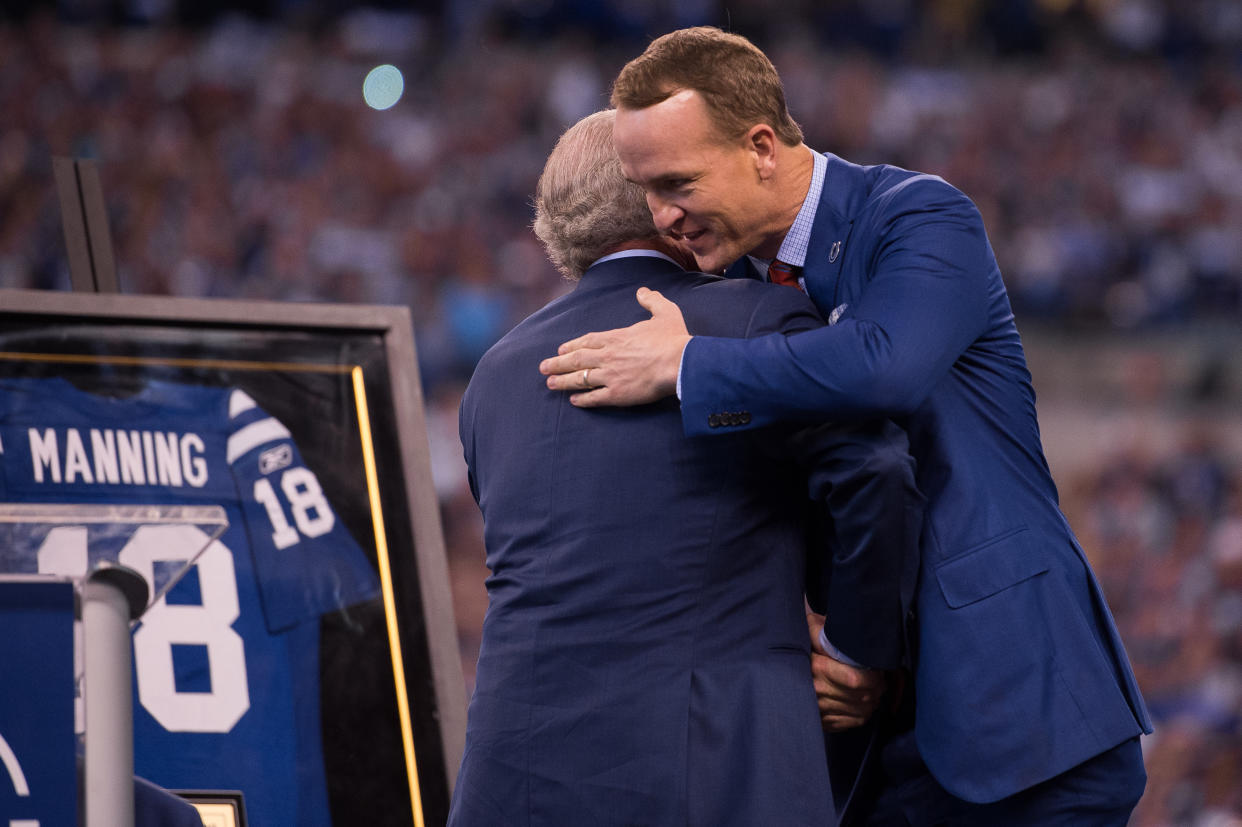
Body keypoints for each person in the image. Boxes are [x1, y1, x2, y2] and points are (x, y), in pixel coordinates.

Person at [537, 27, 1153, 826]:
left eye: (678, 182)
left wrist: (686, 366)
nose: (663, 217)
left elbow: (883, 364)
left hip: (1023, 715)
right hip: (870, 741)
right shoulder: (730, 287)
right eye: (644, 189)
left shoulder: (920, 216)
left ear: (761, 146)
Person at [448, 109, 923, 826]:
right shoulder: (758, 320)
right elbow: (878, 471)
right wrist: (854, 646)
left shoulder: (495, 375)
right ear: (667, 201)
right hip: (714, 766)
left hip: (515, 770)